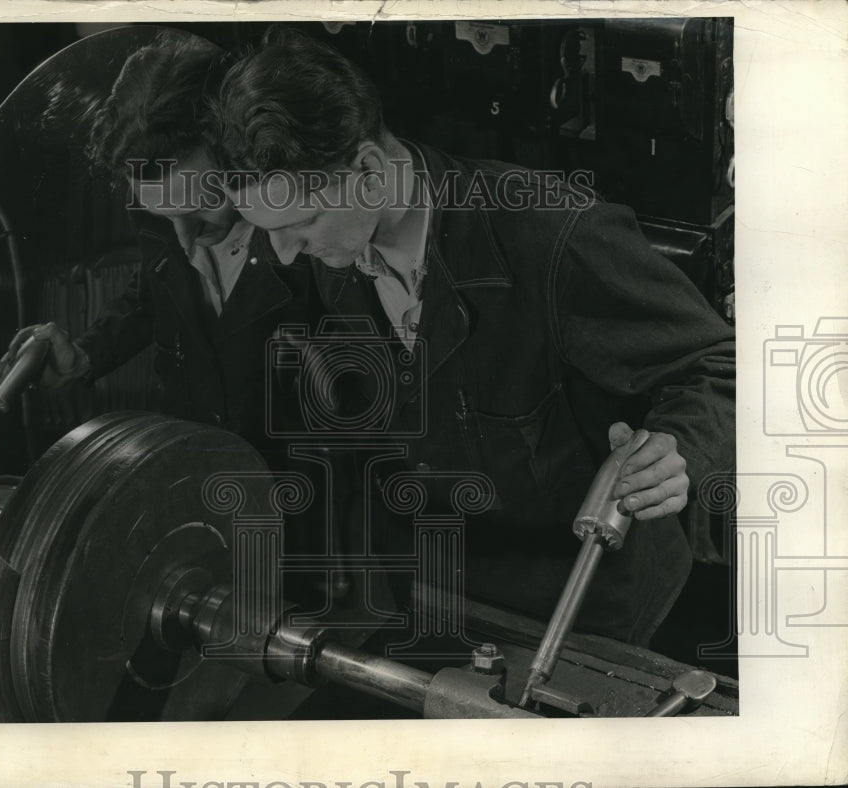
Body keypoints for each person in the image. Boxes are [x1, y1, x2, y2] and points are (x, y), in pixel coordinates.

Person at [211, 28, 736, 646]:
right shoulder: (339, 244)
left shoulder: (552, 236)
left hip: (581, 608)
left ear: (370, 172)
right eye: (265, 228)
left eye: (299, 223)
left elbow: (720, 362)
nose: (283, 251)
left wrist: (680, 446)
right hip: (438, 590)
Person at [0, 30, 322, 467]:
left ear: (243, 150)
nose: (185, 240)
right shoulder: (160, 211)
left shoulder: (319, 236)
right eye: (165, 217)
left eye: (202, 207)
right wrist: (85, 357)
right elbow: (155, 292)